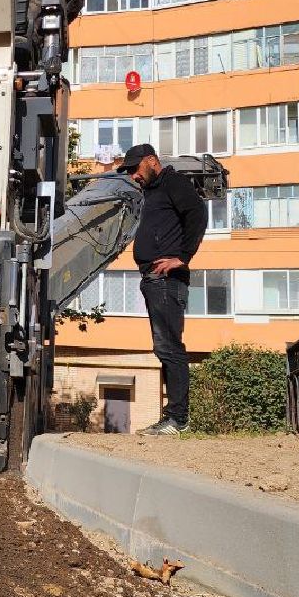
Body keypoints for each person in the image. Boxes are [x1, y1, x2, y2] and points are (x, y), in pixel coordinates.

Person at [119, 143, 208, 435]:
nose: (133, 175)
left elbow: (198, 213)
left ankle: (177, 419)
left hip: (167, 281)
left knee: (170, 348)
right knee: (164, 348)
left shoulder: (173, 182)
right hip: (154, 281)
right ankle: (172, 418)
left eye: (135, 169)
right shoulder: (151, 191)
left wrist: (182, 258)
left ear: (152, 161)